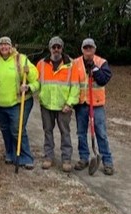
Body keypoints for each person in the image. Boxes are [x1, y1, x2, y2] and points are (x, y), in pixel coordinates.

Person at [0, 36, 39, 169]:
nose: (4, 47)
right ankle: (10, 153)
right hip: (1, 103)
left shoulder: (21, 59)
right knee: (5, 129)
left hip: (19, 102)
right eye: (1, 45)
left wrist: (28, 83)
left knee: (17, 129)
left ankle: (26, 156)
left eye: (6, 44)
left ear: (11, 46)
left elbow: (36, 80)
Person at [36, 36, 80, 172]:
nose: (56, 49)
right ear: (50, 48)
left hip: (63, 107)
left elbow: (75, 86)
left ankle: (66, 159)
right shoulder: (41, 64)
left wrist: (70, 103)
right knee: (47, 132)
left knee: (65, 132)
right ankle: (48, 157)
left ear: (62, 48)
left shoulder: (71, 64)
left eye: (58, 47)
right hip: (46, 105)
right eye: (53, 47)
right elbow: (36, 82)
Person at [73, 38, 114, 175]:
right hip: (82, 104)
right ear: (82, 49)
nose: (88, 50)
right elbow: (72, 82)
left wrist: (95, 69)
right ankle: (84, 158)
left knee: (101, 133)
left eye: (90, 48)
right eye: (86, 48)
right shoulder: (76, 63)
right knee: (81, 133)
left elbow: (103, 80)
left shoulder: (101, 62)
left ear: (94, 49)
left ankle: (107, 161)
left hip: (96, 104)